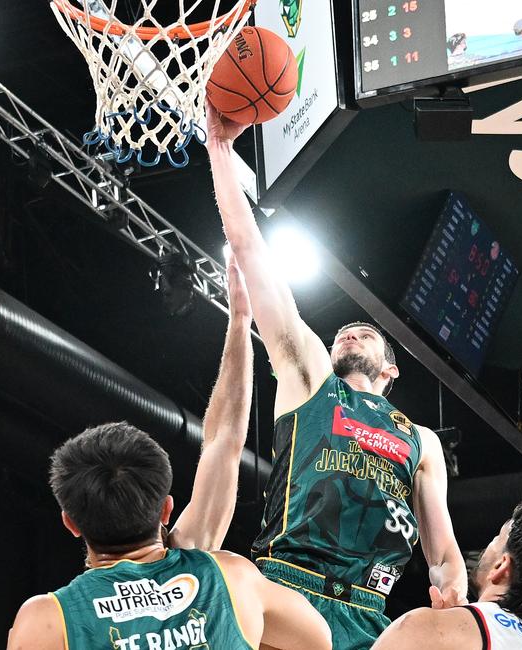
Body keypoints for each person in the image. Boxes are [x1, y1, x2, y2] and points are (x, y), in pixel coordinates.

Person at [206, 104, 467, 649]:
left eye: (366, 334)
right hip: (286, 591)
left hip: (370, 613)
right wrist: (221, 151)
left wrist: (453, 597)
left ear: (391, 370)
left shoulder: (420, 441)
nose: (349, 334)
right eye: (342, 333)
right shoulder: (309, 380)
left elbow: (441, 553)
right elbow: (253, 253)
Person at [7, 258, 332, 650]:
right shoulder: (230, 578)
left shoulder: (45, 620)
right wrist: (239, 322)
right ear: (165, 509)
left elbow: (224, 444)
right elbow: (319, 640)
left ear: (71, 522)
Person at [372, 497, 522, 650]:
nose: (488, 546)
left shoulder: (427, 629)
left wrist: (442, 627)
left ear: (501, 567)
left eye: (497, 540)